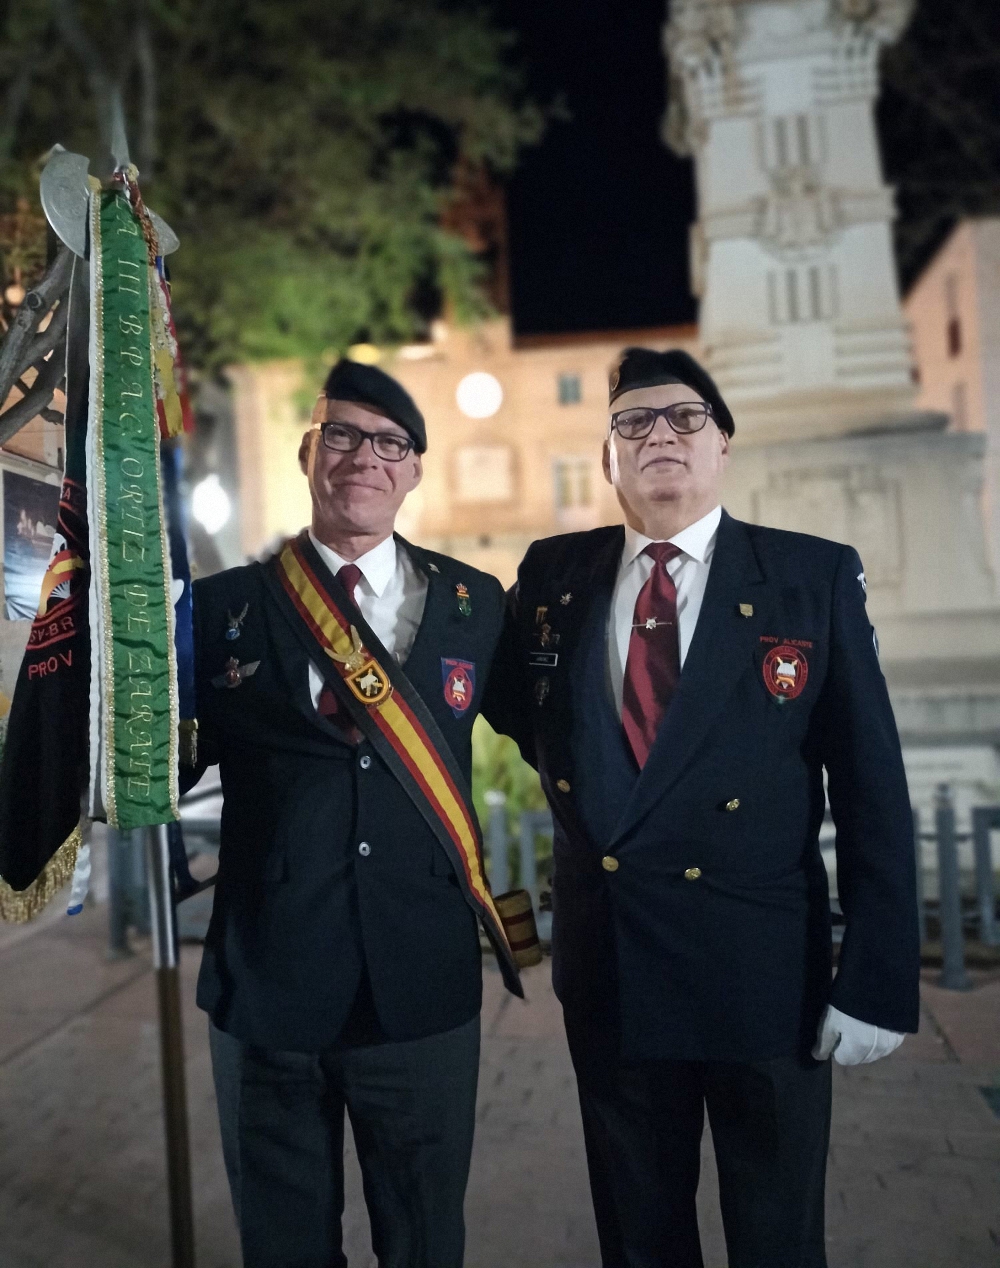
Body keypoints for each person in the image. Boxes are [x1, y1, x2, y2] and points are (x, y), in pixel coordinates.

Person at [482, 347, 920, 1268]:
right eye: (633, 421)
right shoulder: (553, 576)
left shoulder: (811, 576)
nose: (659, 435)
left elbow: (872, 787)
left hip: (764, 973)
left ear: (723, 447)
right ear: (607, 459)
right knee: (639, 1240)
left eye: (685, 418)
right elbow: (525, 717)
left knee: (777, 1238)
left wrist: (877, 975)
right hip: (615, 970)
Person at [187, 358, 522, 1268]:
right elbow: (150, 767)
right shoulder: (218, 609)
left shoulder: (476, 605)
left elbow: (562, 742)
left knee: (423, 1242)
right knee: (283, 1246)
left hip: (422, 989)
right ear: (308, 452)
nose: (362, 457)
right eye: (341, 434)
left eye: (389, 443)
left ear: (414, 470)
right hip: (268, 985)